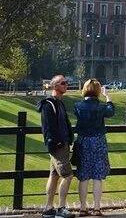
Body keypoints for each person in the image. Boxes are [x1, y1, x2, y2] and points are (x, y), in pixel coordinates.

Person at [74, 79, 114, 216]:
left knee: (83, 176)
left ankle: (83, 208)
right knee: (97, 176)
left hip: (83, 141)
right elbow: (111, 111)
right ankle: (97, 208)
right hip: (98, 141)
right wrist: (108, 97)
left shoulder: (78, 106)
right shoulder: (101, 107)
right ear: (97, 91)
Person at [36, 75, 75, 218]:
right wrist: (56, 143)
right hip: (58, 146)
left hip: (61, 144)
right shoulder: (49, 105)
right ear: (54, 86)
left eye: (66, 83)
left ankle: (48, 208)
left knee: (54, 176)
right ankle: (61, 208)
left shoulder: (59, 103)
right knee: (68, 175)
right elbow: (48, 127)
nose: (66, 85)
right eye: (63, 83)